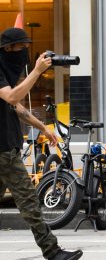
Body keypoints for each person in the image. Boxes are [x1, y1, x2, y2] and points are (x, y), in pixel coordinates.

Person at [0, 28, 82, 260]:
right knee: (29, 202)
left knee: (28, 202)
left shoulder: (5, 70)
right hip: (4, 152)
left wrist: (43, 127)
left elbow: (18, 109)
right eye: (21, 48)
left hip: (6, 148)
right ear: (7, 48)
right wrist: (36, 71)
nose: (24, 52)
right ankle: (52, 251)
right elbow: (13, 98)